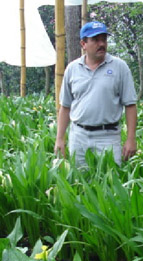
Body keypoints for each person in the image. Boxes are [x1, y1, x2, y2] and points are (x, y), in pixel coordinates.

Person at [54, 21, 137, 166]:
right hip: (78, 136)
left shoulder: (120, 67)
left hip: (108, 137)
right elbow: (65, 107)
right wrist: (60, 138)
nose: (101, 44)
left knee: (111, 183)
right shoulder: (72, 69)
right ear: (83, 44)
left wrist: (131, 139)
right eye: (96, 40)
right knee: (78, 182)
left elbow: (130, 105)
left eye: (103, 39)